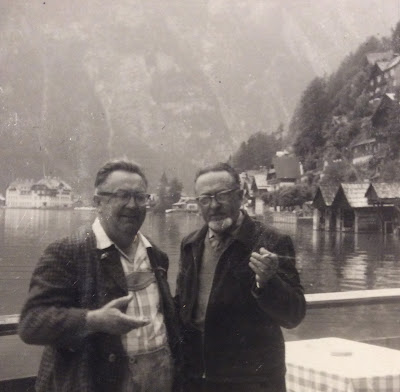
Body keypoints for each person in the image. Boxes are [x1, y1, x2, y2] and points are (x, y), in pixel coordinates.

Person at [18, 159, 180, 392]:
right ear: (98, 202)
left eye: (139, 197)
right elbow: (31, 323)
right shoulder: (67, 251)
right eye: (122, 195)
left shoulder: (156, 254)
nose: (132, 205)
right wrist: (93, 320)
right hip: (98, 382)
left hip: (160, 377)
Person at [175, 162, 306, 392]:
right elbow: (183, 308)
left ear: (240, 195)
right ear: (198, 204)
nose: (214, 206)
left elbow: (293, 315)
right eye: (205, 199)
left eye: (222, 196)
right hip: (197, 378)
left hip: (252, 381)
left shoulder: (272, 242)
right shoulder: (191, 244)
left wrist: (267, 282)